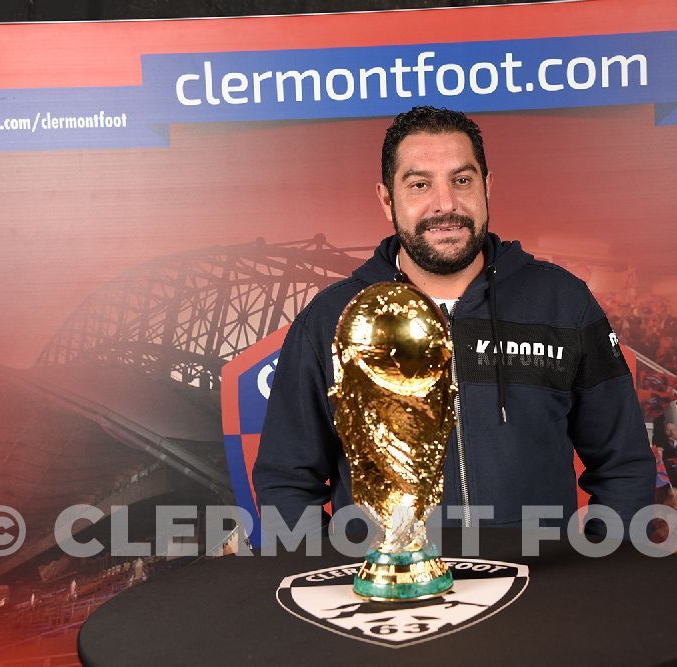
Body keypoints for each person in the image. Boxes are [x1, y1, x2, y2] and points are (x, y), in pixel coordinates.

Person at [253, 106, 655, 538]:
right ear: (387, 200)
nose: (445, 204)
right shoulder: (332, 318)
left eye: (462, 180)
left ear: (487, 186)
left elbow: (623, 464)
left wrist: (596, 571)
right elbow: (287, 480)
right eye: (420, 184)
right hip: (391, 596)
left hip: (538, 592)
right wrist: (341, 581)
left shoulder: (562, 302)